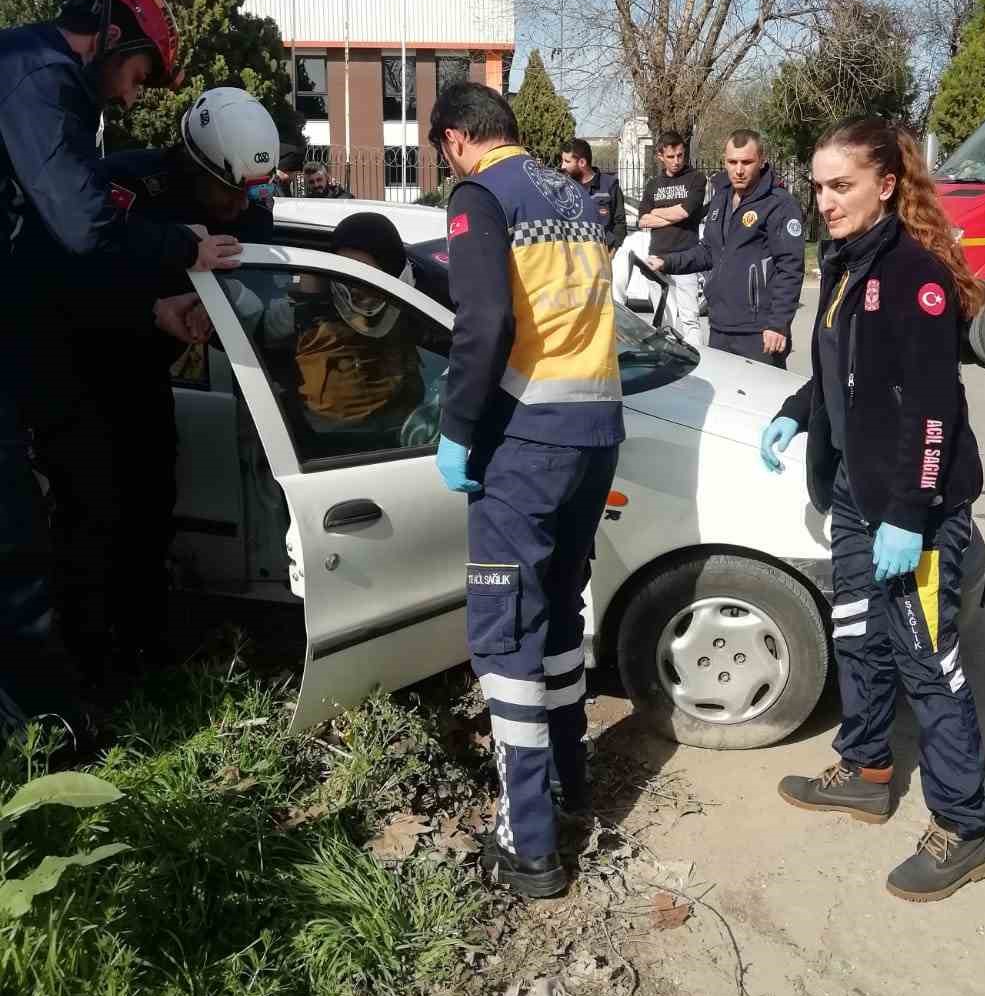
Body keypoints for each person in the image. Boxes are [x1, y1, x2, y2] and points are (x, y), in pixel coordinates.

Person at [759, 118, 985, 902]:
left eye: (841, 186)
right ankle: (865, 770)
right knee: (856, 634)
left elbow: (933, 409)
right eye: (819, 186)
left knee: (930, 663)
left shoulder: (913, 275)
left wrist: (912, 512)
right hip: (857, 497)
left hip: (910, 505)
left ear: (885, 185)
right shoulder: (844, 260)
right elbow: (837, 364)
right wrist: (798, 409)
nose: (824, 201)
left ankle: (964, 827)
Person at [0, 0, 239, 726]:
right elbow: (82, 230)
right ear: (109, 38)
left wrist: (153, 310)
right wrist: (184, 250)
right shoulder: (42, 81)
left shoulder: (28, 75)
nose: (134, 98)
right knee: (19, 557)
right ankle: (56, 743)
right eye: (138, 74)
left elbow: (49, 251)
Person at [431, 81, 623, 900]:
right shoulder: (572, 194)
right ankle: (572, 790)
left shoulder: (481, 195)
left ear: (451, 140)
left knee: (506, 632)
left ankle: (530, 845)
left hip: (528, 441)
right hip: (597, 431)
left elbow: (483, 326)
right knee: (556, 617)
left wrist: (457, 429)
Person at [38, 87, 277, 676]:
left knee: (150, 510)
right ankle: (86, 668)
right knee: (92, 520)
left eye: (250, 193)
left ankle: (145, 652)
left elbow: (261, 267)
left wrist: (215, 307)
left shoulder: (247, 195)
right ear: (197, 167)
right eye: (228, 193)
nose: (238, 207)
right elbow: (66, 286)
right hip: (81, 378)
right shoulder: (123, 187)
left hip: (150, 381)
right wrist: (151, 309)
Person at [649, 129, 805, 366]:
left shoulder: (779, 204)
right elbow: (709, 251)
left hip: (759, 331)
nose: (739, 170)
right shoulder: (721, 198)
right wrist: (667, 262)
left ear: (761, 160)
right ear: (725, 161)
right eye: (732, 162)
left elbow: (790, 268)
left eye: (747, 162)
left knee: (759, 402)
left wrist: (778, 323)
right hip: (720, 326)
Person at [282, 213, 425, 434]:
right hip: (332, 440)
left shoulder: (412, 308)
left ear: (389, 271)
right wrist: (307, 302)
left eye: (364, 275)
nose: (355, 288)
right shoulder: (308, 315)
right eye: (346, 273)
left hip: (398, 432)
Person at [636, 130, 706, 346]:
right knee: (662, 323)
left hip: (686, 258)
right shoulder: (652, 184)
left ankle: (700, 367)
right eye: (671, 156)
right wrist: (673, 213)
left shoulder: (696, 178)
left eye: (680, 155)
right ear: (660, 156)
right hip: (657, 258)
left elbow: (684, 213)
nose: (676, 161)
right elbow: (642, 220)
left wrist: (658, 212)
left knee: (690, 320)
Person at [560, 138, 627, 250]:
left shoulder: (609, 185)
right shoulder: (565, 187)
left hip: (604, 253)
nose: (562, 166)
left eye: (567, 161)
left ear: (582, 162)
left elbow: (619, 223)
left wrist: (614, 250)